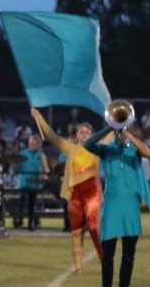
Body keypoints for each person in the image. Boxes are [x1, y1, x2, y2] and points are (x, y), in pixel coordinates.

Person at [84, 119, 150, 287]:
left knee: (129, 254)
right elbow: (87, 144)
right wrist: (109, 127)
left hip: (131, 204)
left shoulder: (134, 150)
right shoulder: (107, 150)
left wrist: (129, 136)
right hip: (112, 204)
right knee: (108, 253)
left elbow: (148, 152)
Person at [31, 108, 102, 274]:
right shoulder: (71, 149)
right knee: (76, 231)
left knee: (93, 227)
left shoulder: (97, 149)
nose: (84, 134)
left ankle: (102, 256)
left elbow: (112, 135)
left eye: (87, 132)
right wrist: (39, 117)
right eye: (81, 132)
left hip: (91, 194)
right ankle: (78, 265)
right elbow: (51, 136)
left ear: (92, 135)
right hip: (75, 195)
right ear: (77, 135)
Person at [15, 134, 48, 230]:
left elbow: (46, 169)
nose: (32, 146)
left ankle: (31, 223)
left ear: (38, 145)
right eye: (30, 144)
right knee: (22, 201)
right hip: (24, 182)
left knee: (32, 204)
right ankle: (19, 220)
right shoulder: (23, 153)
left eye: (34, 144)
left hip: (35, 183)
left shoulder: (41, 155)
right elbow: (16, 167)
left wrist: (44, 177)